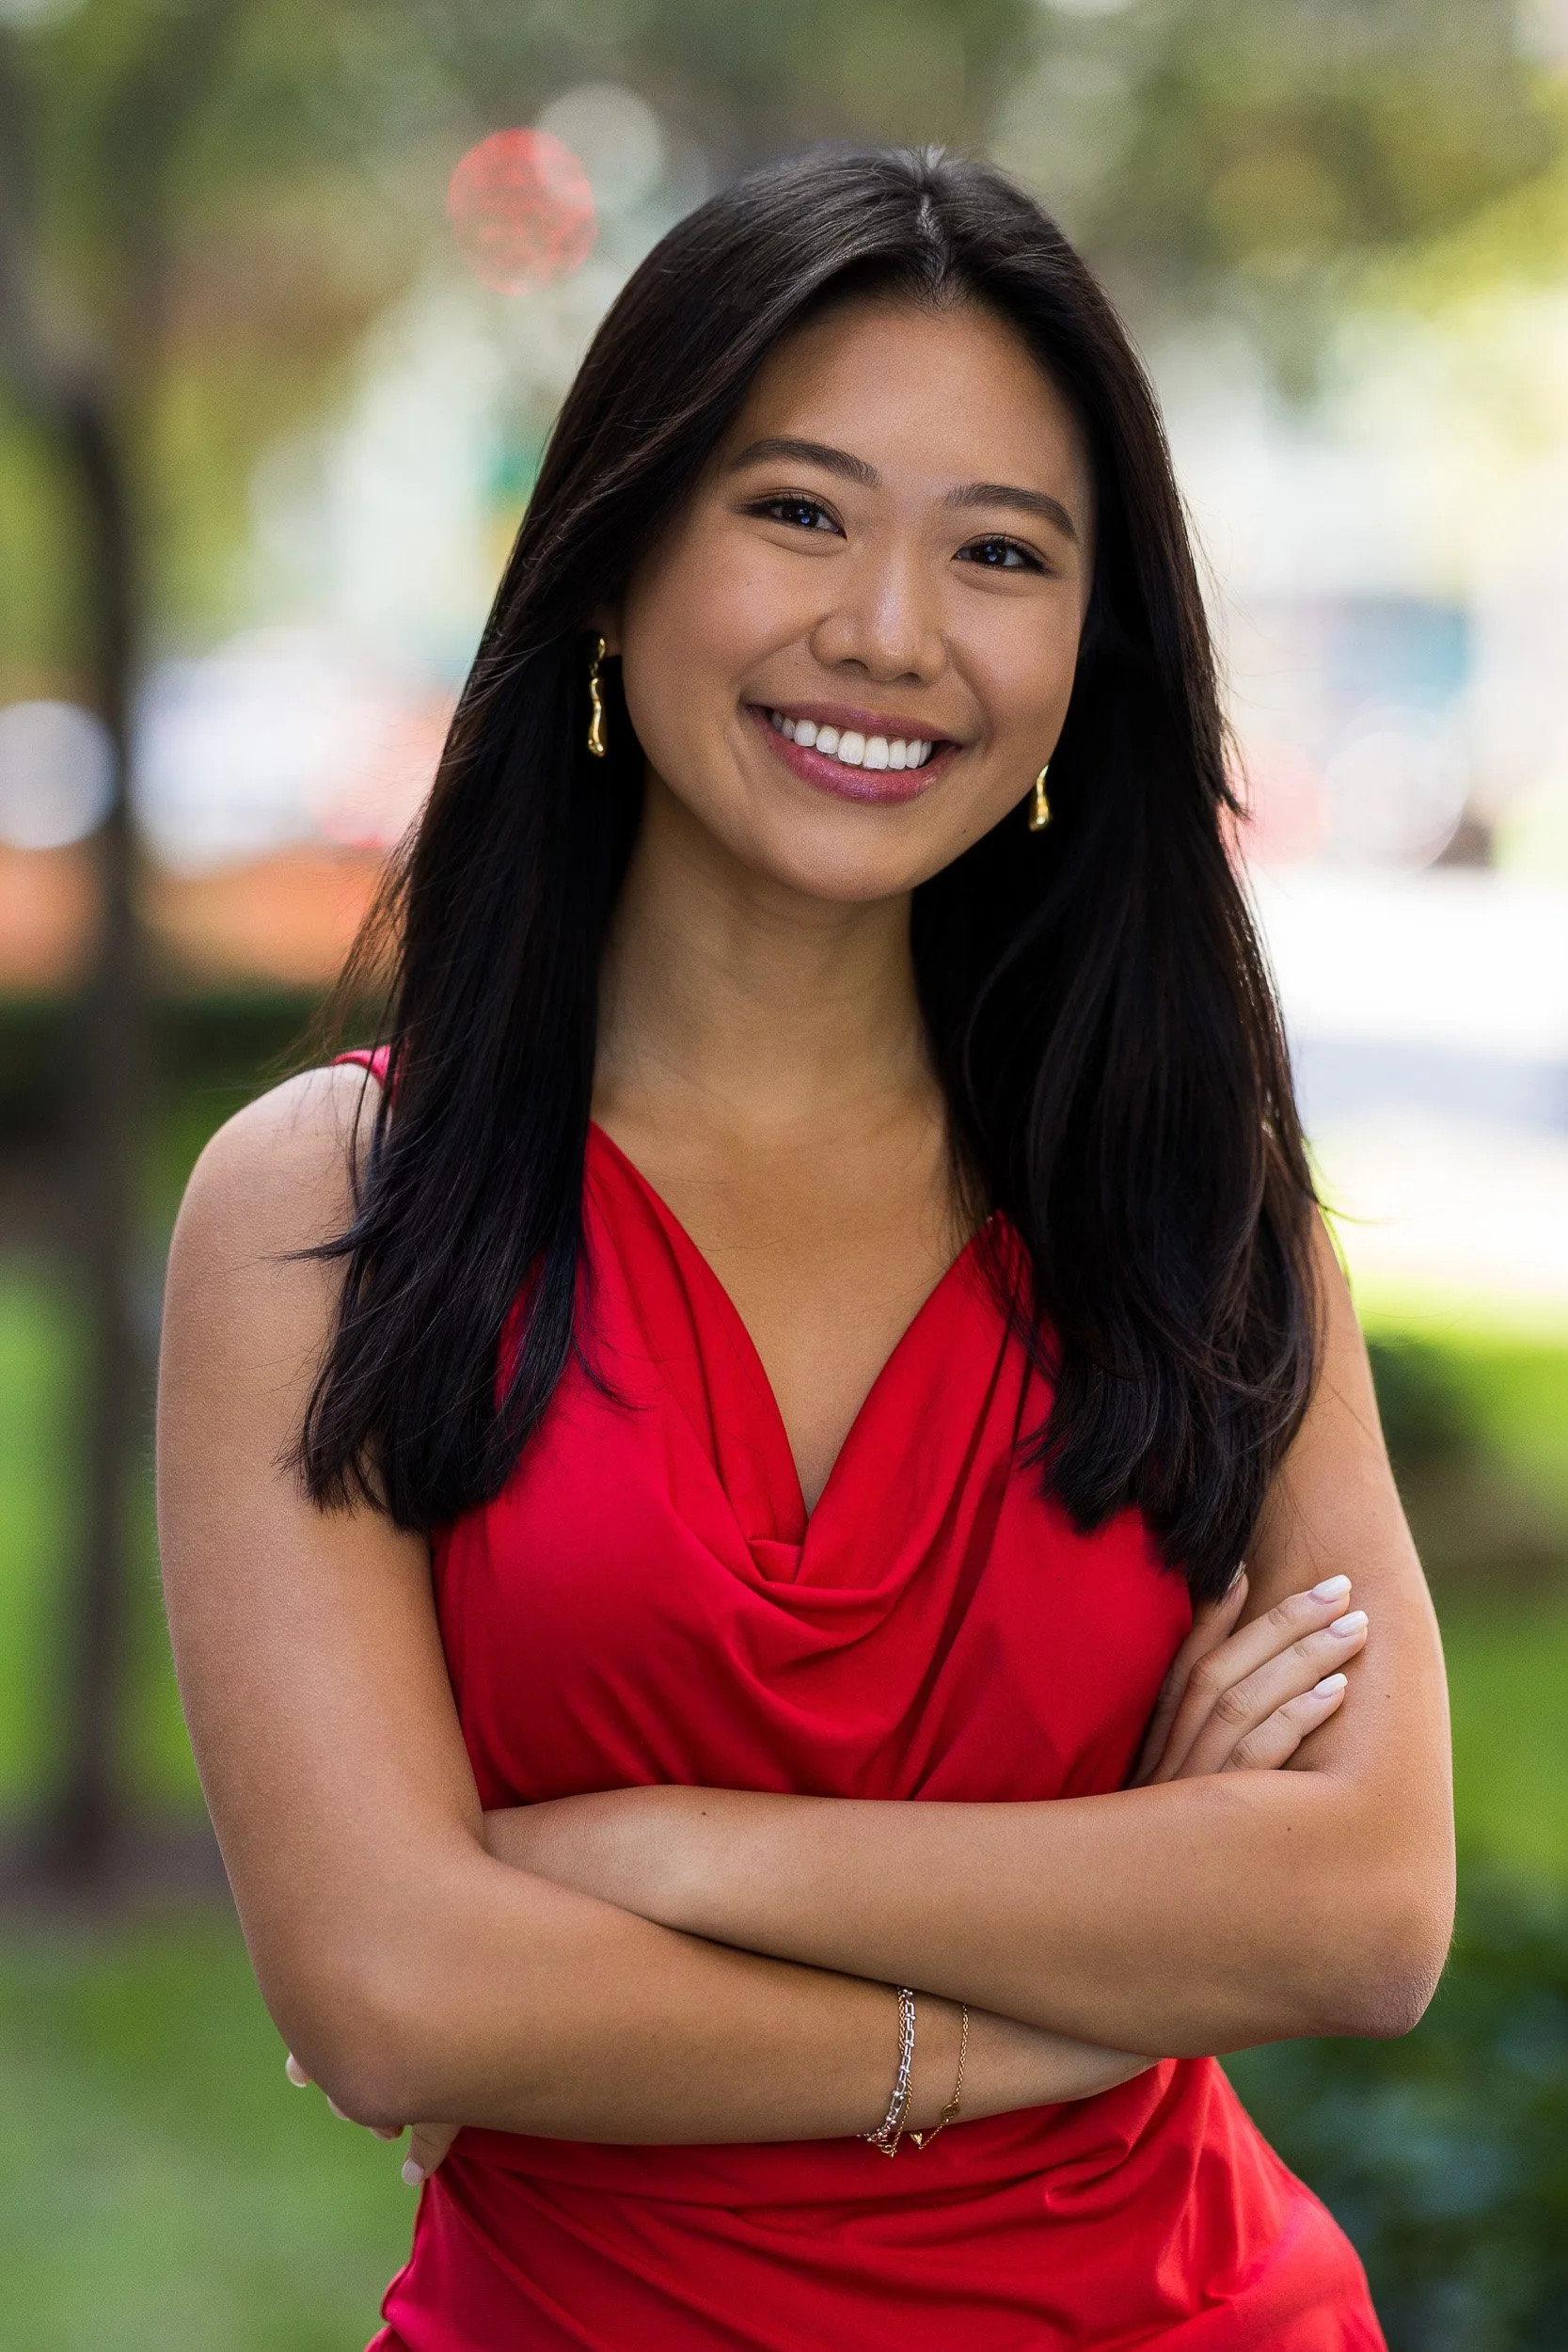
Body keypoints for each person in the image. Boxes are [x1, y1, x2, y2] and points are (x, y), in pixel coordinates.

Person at [157, 149, 1453, 2350]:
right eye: (796, 510)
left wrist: (660, 1850)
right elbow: (389, 1993)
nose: (889, 630)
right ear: (608, 559)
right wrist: (1072, 1973)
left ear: (1083, 645)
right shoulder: (325, 1210)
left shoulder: (1181, 1200)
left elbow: (1354, 1911)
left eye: (1001, 553)